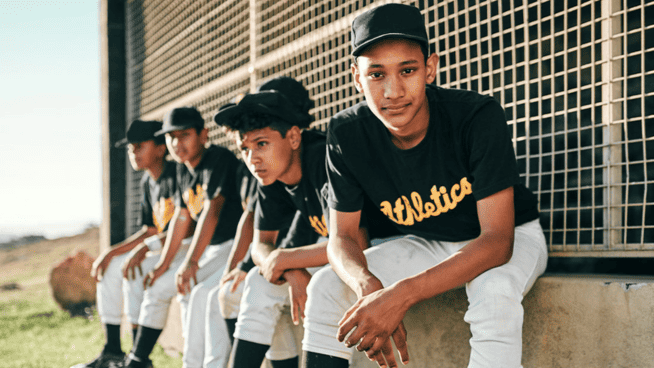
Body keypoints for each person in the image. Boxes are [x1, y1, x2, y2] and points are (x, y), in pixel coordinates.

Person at [301, 4, 548, 368]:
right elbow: (342, 237)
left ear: (430, 68)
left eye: (408, 70)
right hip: (429, 240)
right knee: (326, 287)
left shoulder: (476, 115)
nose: (393, 91)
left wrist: (400, 295)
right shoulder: (346, 132)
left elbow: (497, 242)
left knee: (493, 293)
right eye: (376, 75)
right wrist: (369, 286)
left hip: (508, 234)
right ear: (356, 77)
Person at [213, 87, 399, 368]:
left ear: (293, 137)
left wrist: (286, 258)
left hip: (389, 245)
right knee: (257, 283)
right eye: (245, 149)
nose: (253, 159)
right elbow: (261, 245)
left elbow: (356, 243)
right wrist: (289, 268)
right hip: (350, 255)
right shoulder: (270, 176)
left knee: (296, 283)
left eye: (262, 143)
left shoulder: (323, 158)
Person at [119, 106, 243, 368]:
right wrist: (165, 264)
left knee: (202, 296)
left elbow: (212, 209)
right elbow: (181, 217)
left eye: (184, 135)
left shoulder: (217, 159)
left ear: (203, 135)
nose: (176, 143)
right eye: (171, 137)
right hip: (211, 248)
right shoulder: (184, 169)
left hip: (233, 246)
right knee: (183, 288)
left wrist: (190, 261)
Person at [72, 119, 176, 368]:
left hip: (180, 248)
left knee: (133, 269)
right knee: (111, 265)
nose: (133, 152)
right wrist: (110, 252)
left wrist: (142, 249)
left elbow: (181, 229)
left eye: (139, 146)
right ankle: (113, 350)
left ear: (161, 148)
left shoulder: (176, 174)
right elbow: (150, 230)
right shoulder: (147, 182)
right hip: (158, 246)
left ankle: (139, 358)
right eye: (130, 148)